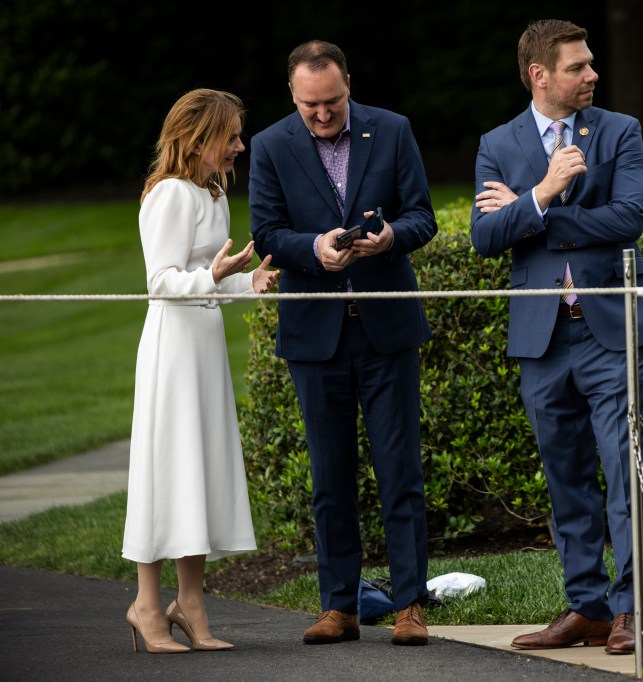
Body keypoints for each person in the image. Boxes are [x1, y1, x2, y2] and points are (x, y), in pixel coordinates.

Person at [471, 19, 643, 655]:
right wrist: (544, 191)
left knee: (626, 471)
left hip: (612, 331)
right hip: (542, 338)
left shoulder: (619, 130)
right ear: (540, 75)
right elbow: (484, 238)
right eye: (577, 67)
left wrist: (534, 208)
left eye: (590, 63)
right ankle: (587, 608)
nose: (592, 75)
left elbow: (629, 218)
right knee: (566, 479)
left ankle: (630, 609)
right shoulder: (497, 143)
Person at [249, 39, 436, 647]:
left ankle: (409, 604)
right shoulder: (271, 145)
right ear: (292, 95)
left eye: (331, 101)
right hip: (314, 334)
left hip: (387, 329)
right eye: (310, 105)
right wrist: (313, 249)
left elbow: (423, 216)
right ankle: (339, 606)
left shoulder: (393, 129)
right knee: (330, 476)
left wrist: (389, 240)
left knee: (399, 469)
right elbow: (266, 232)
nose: (323, 114)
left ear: (348, 84)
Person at [122, 88, 279, 653]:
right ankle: (146, 605)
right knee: (166, 466)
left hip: (205, 347)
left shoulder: (213, 194)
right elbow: (162, 281)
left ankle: (190, 604)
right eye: (231, 135)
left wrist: (246, 282)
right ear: (198, 137)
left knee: (199, 468)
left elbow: (209, 280)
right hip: (172, 350)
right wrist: (214, 277)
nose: (240, 145)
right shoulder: (168, 193)